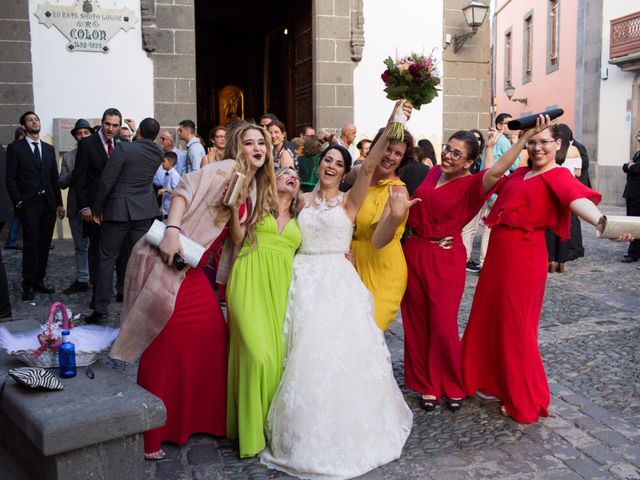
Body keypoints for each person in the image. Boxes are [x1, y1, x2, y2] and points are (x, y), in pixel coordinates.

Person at [260, 102, 413, 479]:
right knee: (298, 353)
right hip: (300, 281)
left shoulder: (349, 200)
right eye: (327, 160)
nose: (331, 166)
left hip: (337, 283)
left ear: (346, 172)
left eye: (339, 163)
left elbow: (374, 163)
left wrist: (393, 121)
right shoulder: (300, 200)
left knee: (335, 356)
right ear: (319, 164)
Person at [109, 123, 275, 460]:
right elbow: (183, 191)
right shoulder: (224, 169)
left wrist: (233, 214)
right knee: (163, 341)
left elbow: (239, 238)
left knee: (214, 337)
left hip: (194, 267)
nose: (257, 147)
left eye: (262, 142)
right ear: (236, 148)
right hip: (167, 256)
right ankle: (152, 435)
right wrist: (171, 230)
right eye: (249, 142)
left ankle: (202, 421)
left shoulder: (254, 187)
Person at [461, 116, 632, 424]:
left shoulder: (559, 176)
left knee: (516, 327)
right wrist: (491, 148)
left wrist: (607, 226)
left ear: (558, 144)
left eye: (544, 142)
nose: (538, 148)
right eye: (533, 142)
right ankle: (494, 382)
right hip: (500, 256)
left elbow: (580, 202)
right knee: (489, 317)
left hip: (524, 258)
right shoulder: (521, 173)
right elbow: (488, 180)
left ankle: (522, 396)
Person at [401, 126, 520, 414]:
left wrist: (521, 142)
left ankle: (452, 384)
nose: (448, 155)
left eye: (457, 153)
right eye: (447, 147)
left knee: (442, 325)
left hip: (445, 257)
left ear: (469, 162)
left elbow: (495, 173)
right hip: (415, 251)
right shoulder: (433, 172)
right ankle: (425, 384)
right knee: (416, 323)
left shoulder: (473, 185)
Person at [226, 167, 302, 458]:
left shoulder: (301, 219)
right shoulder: (258, 206)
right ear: (274, 180)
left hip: (281, 288)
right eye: (285, 172)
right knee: (257, 356)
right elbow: (236, 237)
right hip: (249, 278)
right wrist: (234, 209)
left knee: (275, 360)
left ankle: (268, 428)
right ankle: (250, 433)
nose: (291, 176)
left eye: (295, 174)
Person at [88, 118, 164, 323]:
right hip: (143, 211)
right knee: (137, 260)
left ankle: (100, 307)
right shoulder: (158, 152)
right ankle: (137, 304)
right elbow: (146, 141)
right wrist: (135, 129)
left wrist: (98, 208)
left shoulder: (123, 149)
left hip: (118, 210)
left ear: (138, 130)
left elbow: (107, 180)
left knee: (106, 259)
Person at [351, 128, 415, 331]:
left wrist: (396, 217)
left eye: (398, 154)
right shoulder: (359, 175)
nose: (391, 157)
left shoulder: (397, 191)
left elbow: (379, 240)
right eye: (388, 149)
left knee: (369, 332)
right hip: (352, 263)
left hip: (383, 267)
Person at [6, 111, 65, 301]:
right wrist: (18, 201)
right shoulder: (16, 148)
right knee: (31, 245)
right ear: (24, 126)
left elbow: (54, 178)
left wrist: (59, 204)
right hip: (28, 205)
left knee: (44, 244)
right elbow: (11, 178)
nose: (35, 122)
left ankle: (39, 280)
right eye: (30, 120)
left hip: (47, 205)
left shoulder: (48, 149)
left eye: (37, 119)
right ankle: (28, 284)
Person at [75, 108, 127, 307]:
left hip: (118, 210)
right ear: (102, 122)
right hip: (94, 210)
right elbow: (80, 178)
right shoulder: (87, 144)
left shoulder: (122, 144)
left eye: (115, 125)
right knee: (96, 253)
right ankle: (98, 295)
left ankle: (121, 291)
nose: (110, 129)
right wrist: (85, 207)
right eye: (107, 124)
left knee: (121, 252)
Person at [59, 119, 94, 294]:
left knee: (97, 246)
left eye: (85, 133)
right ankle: (82, 279)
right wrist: (74, 174)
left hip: (95, 208)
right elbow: (62, 183)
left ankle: (97, 279)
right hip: (75, 207)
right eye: (79, 133)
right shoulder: (69, 156)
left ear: (91, 134)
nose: (82, 136)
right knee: (80, 246)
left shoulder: (98, 153)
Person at [545, 124, 583, 273]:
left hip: (551, 191)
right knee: (564, 226)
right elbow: (578, 173)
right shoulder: (574, 150)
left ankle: (550, 259)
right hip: (568, 192)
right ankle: (562, 261)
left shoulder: (553, 150)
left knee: (549, 226)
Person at [4, 127, 26, 250]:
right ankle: (11, 241)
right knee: (18, 216)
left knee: (18, 217)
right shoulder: (14, 148)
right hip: (19, 190)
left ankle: (11, 241)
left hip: (19, 190)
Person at [622, 129, 640, 263]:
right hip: (632, 192)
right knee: (632, 222)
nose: (637, 137)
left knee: (635, 223)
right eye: (637, 135)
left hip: (638, 193)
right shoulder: (638, 152)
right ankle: (634, 251)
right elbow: (625, 167)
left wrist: (631, 166)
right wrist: (630, 165)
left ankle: (634, 253)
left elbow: (636, 168)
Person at [156, 151, 181, 218]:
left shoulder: (174, 175)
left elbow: (178, 192)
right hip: (165, 208)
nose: (162, 164)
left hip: (171, 208)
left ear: (170, 162)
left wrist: (166, 190)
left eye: (164, 161)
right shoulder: (167, 174)